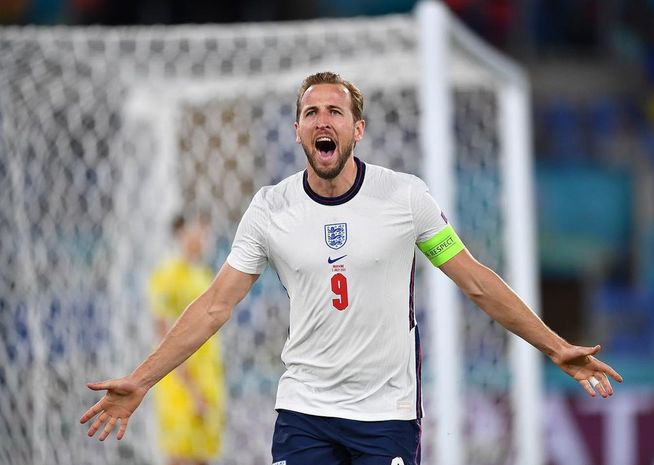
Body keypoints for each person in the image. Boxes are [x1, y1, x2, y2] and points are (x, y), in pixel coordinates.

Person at [80, 71, 623, 465]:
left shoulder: (405, 198)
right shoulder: (270, 208)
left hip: (386, 413)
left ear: (357, 129)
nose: (323, 121)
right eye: (311, 112)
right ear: (297, 131)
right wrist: (141, 380)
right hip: (304, 410)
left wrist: (555, 346)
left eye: (335, 111)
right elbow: (216, 305)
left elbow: (477, 283)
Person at [146, 213, 225, 465]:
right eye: (196, 230)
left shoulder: (202, 273)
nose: (202, 237)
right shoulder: (168, 275)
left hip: (207, 379)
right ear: (180, 233)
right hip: (180, 385)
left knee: (202, 457)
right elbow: (163, 333)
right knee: (179, 457)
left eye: (204, 230)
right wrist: (190, 388)